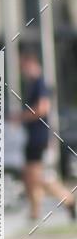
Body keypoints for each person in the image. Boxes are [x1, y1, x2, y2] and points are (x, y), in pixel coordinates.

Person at [17, 50, 75, 221]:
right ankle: (35, 212)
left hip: (38, 138)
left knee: (37, 177)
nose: (22, 71)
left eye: (23, 67)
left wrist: (21, 117)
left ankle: (68, 200)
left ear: (30, 64)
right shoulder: (33, 84)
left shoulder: (39, 83)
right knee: (30, 177)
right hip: (32, 138)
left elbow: (42, 108)